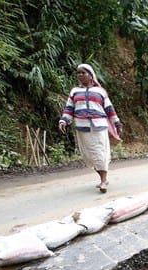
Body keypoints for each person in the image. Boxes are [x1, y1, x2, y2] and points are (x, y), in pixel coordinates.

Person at [59, 64, 122, 193]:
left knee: (100, 153)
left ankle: (103, 181)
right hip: (82, 128)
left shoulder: (100, 92)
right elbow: (69, 108)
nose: (80, 75)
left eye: (83, 73)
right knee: (89, 156)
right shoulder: (74, 92)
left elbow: (109, 109)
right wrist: (64, 121)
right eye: (78, 73)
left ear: (91, 75)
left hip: (99, 127)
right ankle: (103, 178)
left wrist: (117, 123)